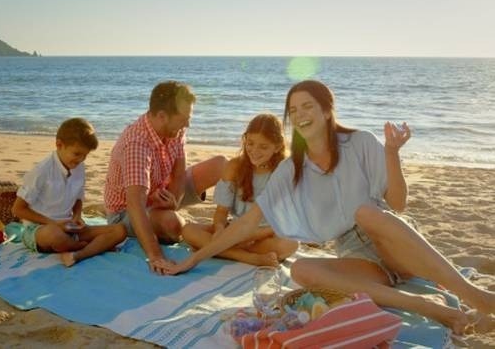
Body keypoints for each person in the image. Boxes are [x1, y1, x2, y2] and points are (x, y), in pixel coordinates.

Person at [161, 80, 494, 334]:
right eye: (293, 111)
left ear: (326, 109)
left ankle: (475, 296)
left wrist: (392, 153)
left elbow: (398, 204)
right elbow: (246, 224)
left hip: (391, 244)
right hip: (362, 261)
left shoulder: (360, 143)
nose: (300, 115)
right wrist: (192, 259)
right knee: (301, 270)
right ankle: (431, 308)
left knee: (364, 212)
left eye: (307, 107)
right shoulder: (291, 170)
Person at [104, 80, 227, 274]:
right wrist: (156, 255)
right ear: (162, 116)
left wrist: (174, 200)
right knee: (172, 223)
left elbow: (179, 173)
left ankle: (239, 224)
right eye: (184, 118)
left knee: (221, 165)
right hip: (127, 212)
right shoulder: (137, 144)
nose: (188, 123)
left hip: (161, 194)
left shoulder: (175, 129)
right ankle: (206, 232)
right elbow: (135, 204)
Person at [181, 113, 298, 267]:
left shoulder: (284, 171)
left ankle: (222, 251)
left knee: (290, 244)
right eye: (250, 143)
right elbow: (221, 212)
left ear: (277, 147)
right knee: (188, 230)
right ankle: (247, 258)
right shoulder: (234, 167)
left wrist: (248, 236)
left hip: (267, 234)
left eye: (263, 146)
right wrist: (220, 229)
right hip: (234, 229)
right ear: (245, 139)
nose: (254, 151)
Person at [12, 117, 126, 267]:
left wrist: (77, 216)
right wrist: (53, 223)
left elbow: (78, 199)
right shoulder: (42, 171)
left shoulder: (79, 167)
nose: (80, 159)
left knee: (120, 230)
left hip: (69, 228)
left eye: (85, 155)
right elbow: (18, 209)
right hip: (40, 229)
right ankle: (89, 247)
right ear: (59, 145)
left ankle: (77, 252)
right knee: (54, 235)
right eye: (77, 154)